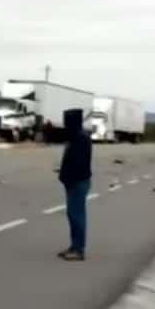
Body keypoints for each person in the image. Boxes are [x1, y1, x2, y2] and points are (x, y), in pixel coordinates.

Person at [57, 108, 92, 261]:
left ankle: (79, 250)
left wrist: (68, 177)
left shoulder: (81, 139)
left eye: (67, 121)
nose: (65, 124)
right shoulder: (74, 137)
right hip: (73, 182)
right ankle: (74, 246)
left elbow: (78, 163)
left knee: (77, 216)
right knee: (72, 215)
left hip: (77, 182)